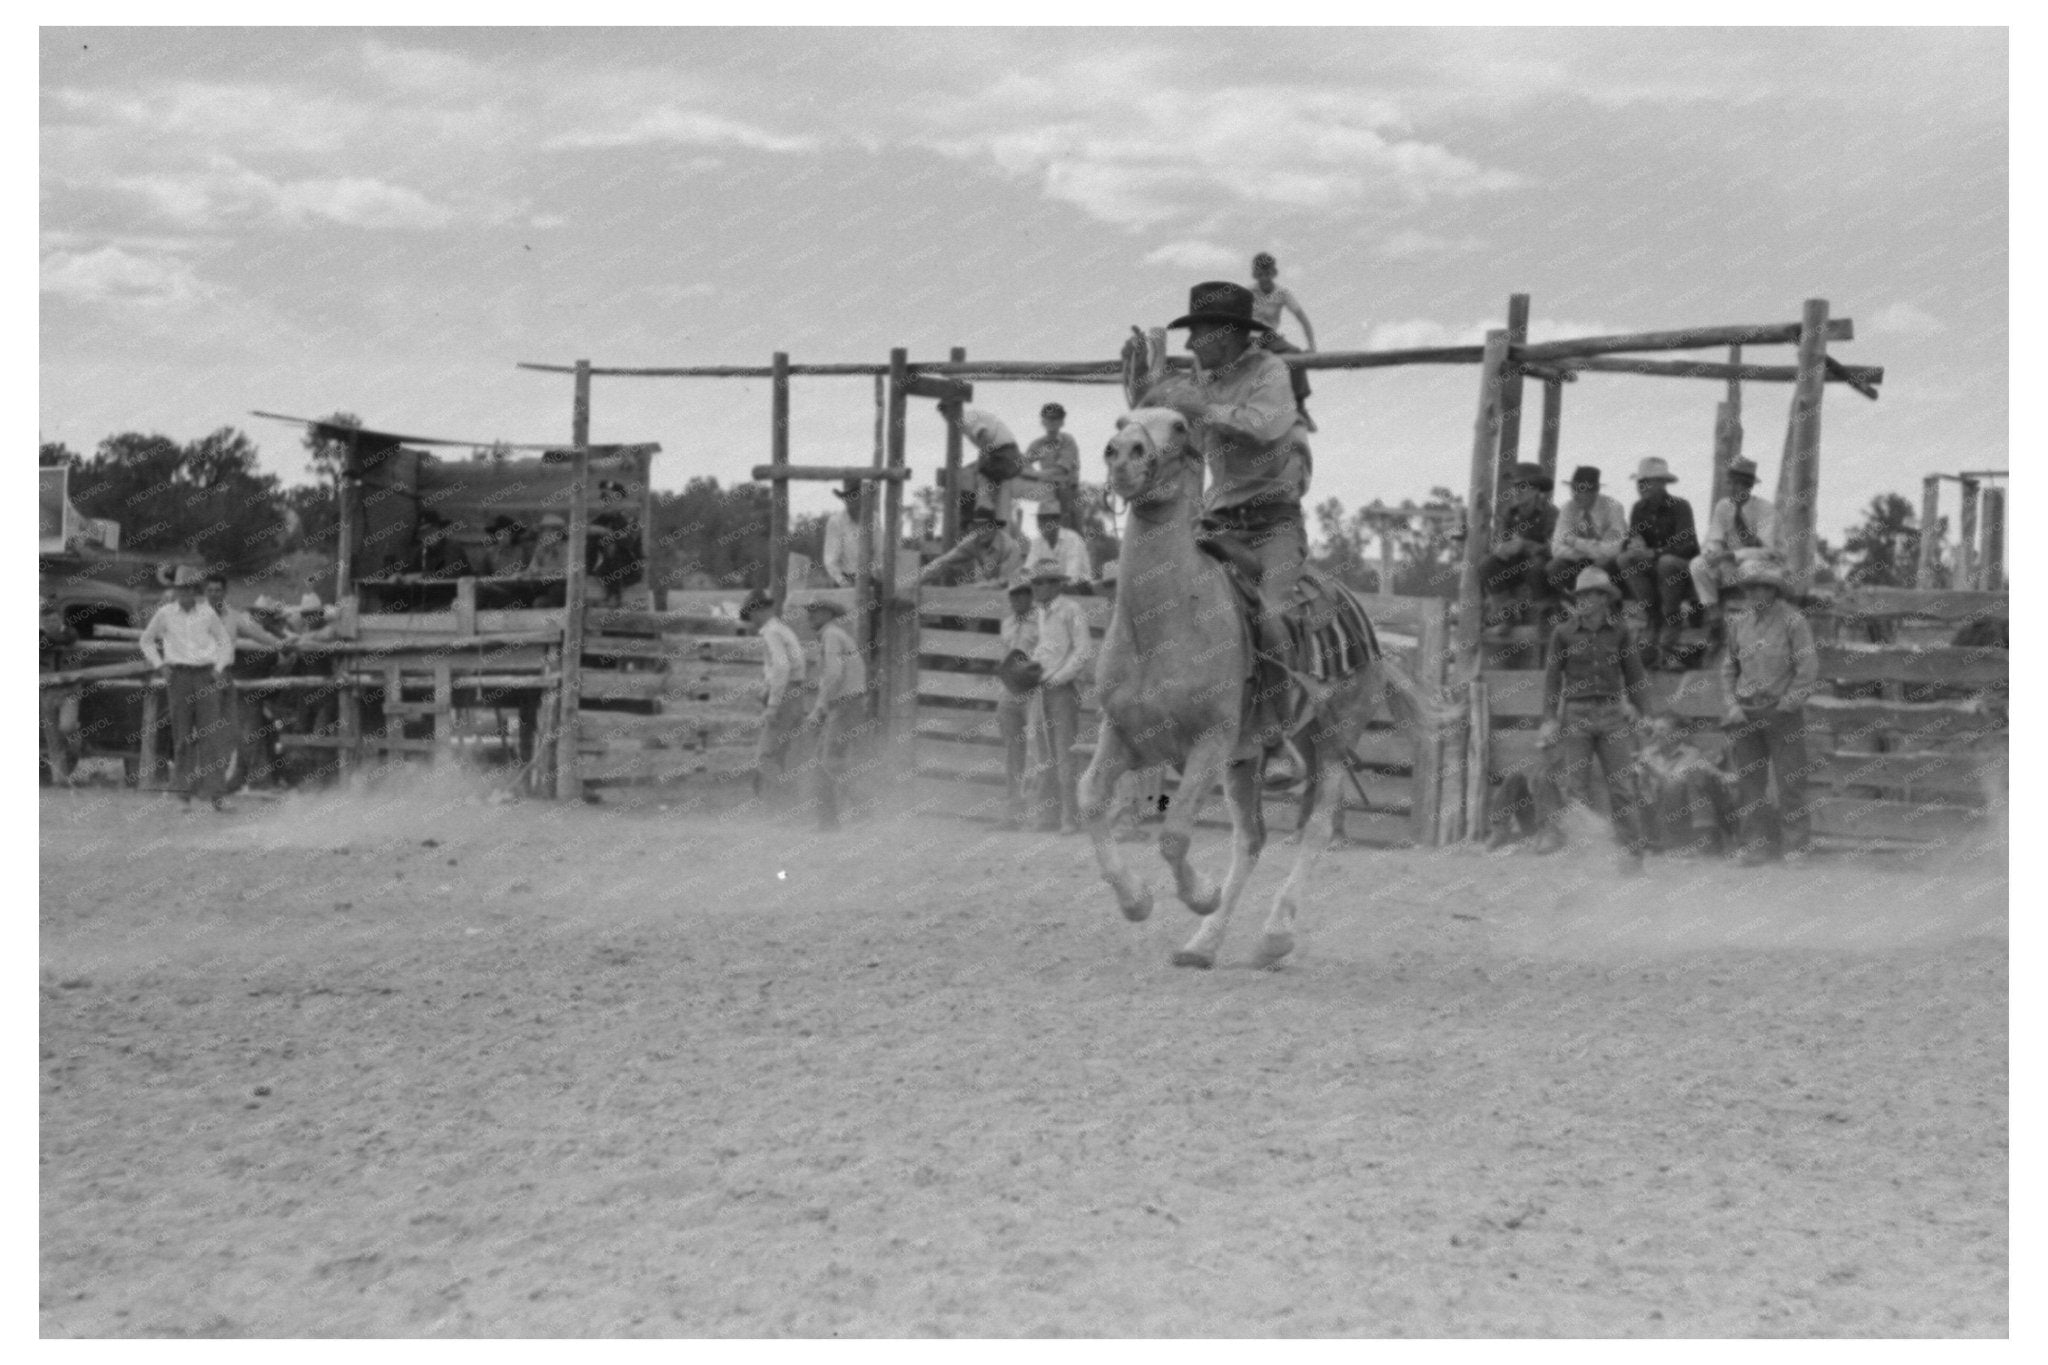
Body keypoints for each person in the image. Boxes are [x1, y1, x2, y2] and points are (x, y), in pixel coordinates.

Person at [1136, 279, 1313, 682]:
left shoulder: (1271, 372)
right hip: (1219, 521)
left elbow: (1260, 428)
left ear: (1224, 335)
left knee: (1275, 616)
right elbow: (1157, 429)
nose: (1191, 346)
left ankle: (1283, 710)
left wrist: (1202, 407)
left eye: (1197, 335)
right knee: (1162, 594)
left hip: (1272, 525)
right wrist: (1143, 385)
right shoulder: (1203, 383)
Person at [1537, 566, 1651, 873]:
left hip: (1613, 713)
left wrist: (1643, 712)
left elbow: (1635, 674)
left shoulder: (1621, 632)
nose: (1586, 600)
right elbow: (1551, 681)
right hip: (1576, 713)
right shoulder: (1562, 633)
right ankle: (1582, 856)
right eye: (1582, 595)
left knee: (1623, 787)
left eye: (1593, 594)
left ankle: (1632, 854)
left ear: (1604, 599)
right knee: (1576, 788)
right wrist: (1549, 719)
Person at [1718, 557, 1818, 866]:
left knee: (1791, 782)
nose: (1756, 593)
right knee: (1750, 785)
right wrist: (1732, 705)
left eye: (1764, 587)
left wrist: (1788, 704)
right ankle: (1754, 846)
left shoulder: (1794, 621)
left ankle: (1795, 847)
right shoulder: (1738, 623)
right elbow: (1728, 669)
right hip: (1746, 713)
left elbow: (1807, 668)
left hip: (1782, 712)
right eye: (1751, 588)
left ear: (1774, 590)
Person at [137, 564, 236, 811]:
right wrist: (160, 665)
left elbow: (225, 643)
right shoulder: (165, 614)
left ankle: (216, 795)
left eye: (190, 589)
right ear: (176, 590)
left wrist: (218, 668)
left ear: (196, 590)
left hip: (205, 676)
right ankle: (183, 795)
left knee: (211, 736)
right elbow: (146, 640)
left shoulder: (208, 614)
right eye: (181, 589)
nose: (185, 593)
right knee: (182, 737)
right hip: (178, 677)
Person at [1027, 564, 1096, 834]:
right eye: (1035, 582)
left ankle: (1070, 817)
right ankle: (1048, 816)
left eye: (1042, 582)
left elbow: (1083, 651)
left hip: (1062, 690)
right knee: (1042, 753)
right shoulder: (1041, 613)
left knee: (1065, 754)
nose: (1037, 587)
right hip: (1040, 687)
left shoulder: (1071, 610)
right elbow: (1043, 651)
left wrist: (1058, 678)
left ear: (1056, 584)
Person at [1618, 457, 1701, 668]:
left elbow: (1688, 545)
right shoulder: (1639, 508)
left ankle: (1670, 618)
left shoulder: (1681, 506)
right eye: (1640, 483)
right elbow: (1632, 539)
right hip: (1656, 567)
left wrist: (1654, 553)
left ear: (1662, 484)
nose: (1642, 487)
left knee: (1667, 562)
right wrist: (1633, 547)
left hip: (1681, 569)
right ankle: (1653, 615)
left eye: (1647, 483)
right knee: (1625, 559)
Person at [1690, 455, 1780, 638]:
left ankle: (1754, 621)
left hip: (1764, 564)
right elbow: (1714, 537)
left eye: (1738, 484)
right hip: (1731, 564)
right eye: (1730, 483)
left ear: (1748, 486)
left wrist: (1730, 555)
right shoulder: (1723, 506)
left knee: (1750, 567)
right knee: (1698, 564)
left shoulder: (1765, 510)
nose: (1732, 488)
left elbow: (1768, 551)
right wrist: (1711, 553)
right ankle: (1713, 614)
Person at [803, 598, 868, 831]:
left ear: (828, 614)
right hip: (847, 703)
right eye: (809, 611)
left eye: (815, 611)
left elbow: (833, 674)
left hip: (845, 704)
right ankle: (829, 821)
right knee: (824, 761)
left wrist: (819, 708)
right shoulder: (835, 635)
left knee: (828, 760)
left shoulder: (831, 636)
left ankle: (863, 806)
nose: (810, 615)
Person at [1632, 714, 1738, 856]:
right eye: (1655, 730)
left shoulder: (1690, 753)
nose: (1657, 734)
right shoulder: (1647, 754)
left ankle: (1703, 836)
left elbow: (1673, 781)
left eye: (1662, 730)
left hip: (1680, 803)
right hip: (1653, 804)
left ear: (1677, 734)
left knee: (1685, 780)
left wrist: (1652, 770)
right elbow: (1639, 782)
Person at [739, 589, 808, 799]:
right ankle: (778, 805)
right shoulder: (783, 630)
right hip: (795, 694)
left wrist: (772, 704)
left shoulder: (771, 632)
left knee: (765, 757)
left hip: (785, 696)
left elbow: (781, 667)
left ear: (758, 611)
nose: (751, 619)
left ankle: (786, 801)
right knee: (780, 754)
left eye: (751, 613)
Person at [1477, 463, 1559, 633]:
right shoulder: (1510, 513)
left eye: (1523, 487)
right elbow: (1500, 541)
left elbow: (1555, 548)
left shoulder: (1550, 513)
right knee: (1487, 564)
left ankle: (1545, 612)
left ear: (1536, 490)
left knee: (1535, 565)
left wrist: (1525, 545)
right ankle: (1507, 614)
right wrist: (1501, 548)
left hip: (1541, 570)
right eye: (1515, 486)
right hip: (1516, 567)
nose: (1517, 491)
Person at [1249, 252, 1318, 431]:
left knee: (1295, 356)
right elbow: (1234, 318)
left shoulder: (1282, 293)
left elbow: (1302, 318)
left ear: (1273, 273)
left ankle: (1300, 406)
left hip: (1270, 336)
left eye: (1267, 274)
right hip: (1250, 336)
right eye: (1260, 274)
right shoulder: (1248, 292)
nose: (1264, 278)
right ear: (1256, 275)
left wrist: (1311, 346)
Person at [994, 575, 1042, 828]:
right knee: (1013, 753)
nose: (1018, 598)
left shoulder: (1042, 619)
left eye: (1023, 593)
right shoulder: (1007, 623)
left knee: (1036, 752)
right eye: (1014, 594)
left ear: (1031, 595)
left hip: (1035, 690)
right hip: (1010, 690)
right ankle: (1013, 812)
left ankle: (1035, 814)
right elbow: (1005, 656)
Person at [936, 400, 1026, 534]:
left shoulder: (965, 419)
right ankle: (982, 512)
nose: (947, 418)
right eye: (944, 415)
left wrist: (981, 462)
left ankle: (983, 510)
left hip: (1006, 455)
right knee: (977, 473)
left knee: (979, 471)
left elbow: (983, 435)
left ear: (954, 411)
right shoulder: (965, 421)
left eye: (948, 414)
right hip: (1007, 454)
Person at [1547, 465, 1629, 607]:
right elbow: (1556, 549)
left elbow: (1614, 550)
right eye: (1574, 489)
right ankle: (1576, 606)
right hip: (1581, 559)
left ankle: (1609, 608)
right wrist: (1589, 552)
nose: (1575, 495)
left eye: (1581, 490)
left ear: (1595, 491)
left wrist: (1574, 541)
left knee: (1604, 564)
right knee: (1555, 567)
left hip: (1607, 563)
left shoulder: (1613, 507)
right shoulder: (1568, 508)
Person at [919, 506, 1024, 587]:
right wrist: (920, 578)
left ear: (995, 528)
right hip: (986, 592)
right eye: (978, 527)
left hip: (1012, 595)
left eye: (987, 526)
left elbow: (1007, 581)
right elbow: (945, 560)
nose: (982, 531)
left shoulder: (1010, 547)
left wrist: (979, 587)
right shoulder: (973, 541)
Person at [40, 594, 81, 787]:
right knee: (53, 738)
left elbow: (68, 638)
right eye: (47, 621)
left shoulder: (71, 632)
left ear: (61, 619)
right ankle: (60, 781)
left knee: (67, 727)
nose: (51, 623)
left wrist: (50, 639)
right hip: (46, 691)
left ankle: (77, 742)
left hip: (69, 690)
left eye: (54, 620)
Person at [1024, 403, 1083, 530]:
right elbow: (1022, 467)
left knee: (1074, 536)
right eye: (1048, 418)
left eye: (1056, 418)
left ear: (1062, 422)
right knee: (1047, 534)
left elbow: (1061, 472)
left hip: (1069, 494)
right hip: (1048, 493)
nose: (1052, 422)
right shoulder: (1037, 444)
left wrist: (1035, 475)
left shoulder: (1067, 440)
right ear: (1043, 421)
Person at [588, 480, 644, 604]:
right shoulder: (603, 519)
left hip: (629, 568)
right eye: (603, 499)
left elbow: (628, 543)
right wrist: (597, 530)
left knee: (616, 552)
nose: (604, 502)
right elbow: (587, 530)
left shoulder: (629, 519)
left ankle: (614, 596)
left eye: (608, 499)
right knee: (591, 543)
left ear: (619, 500)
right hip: (604, 569)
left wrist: (607, 533)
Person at [1025, 502, 1091, 585]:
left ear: (1057, 521)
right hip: (1052, 589)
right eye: (1040, 519)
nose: (1040, 523)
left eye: (1045, 519)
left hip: (1079, 590)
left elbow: (1072, 576)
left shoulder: (1073, 539)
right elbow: (1027, 569)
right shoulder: (1037, 542)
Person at [820, 481, 867, 587]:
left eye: (857, 496)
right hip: (847, 579)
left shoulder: (874, 519)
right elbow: (830, 560)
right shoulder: (836, 522)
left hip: (870, 579)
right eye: (849, 498)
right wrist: (842, 581)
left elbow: (880, 553)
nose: (853, 501)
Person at [413, 509, 472, 578]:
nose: (428, 535)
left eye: (431, 530)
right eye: (424, 533)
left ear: (440, 530)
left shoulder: (453, 548)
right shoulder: (420, 552)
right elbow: (412, 575)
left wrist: (421, 576)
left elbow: (448, 575)